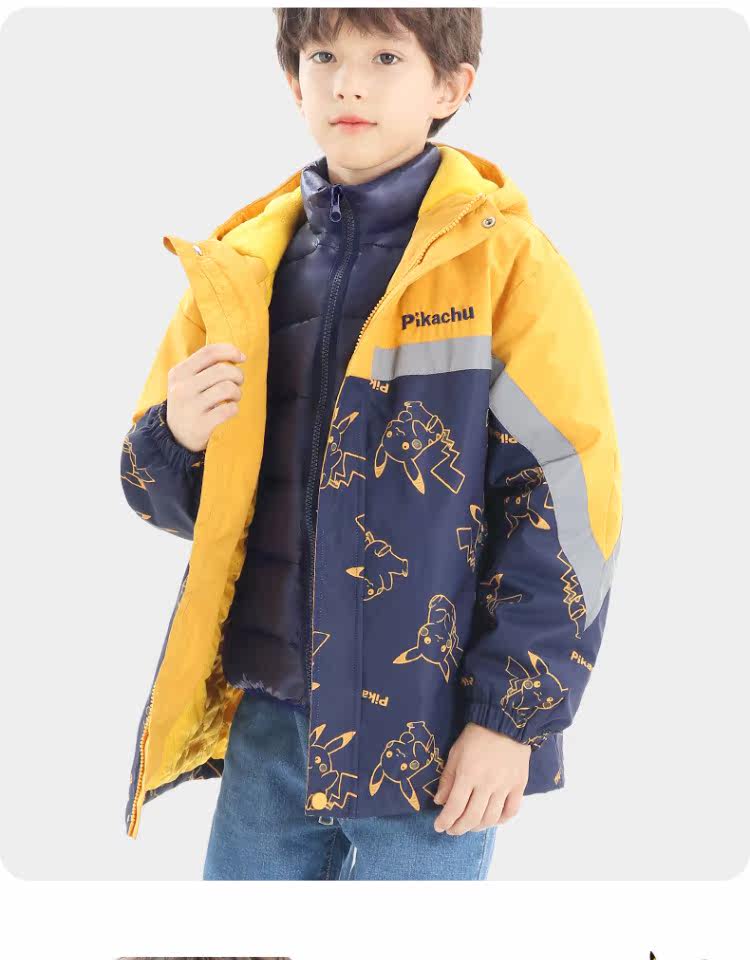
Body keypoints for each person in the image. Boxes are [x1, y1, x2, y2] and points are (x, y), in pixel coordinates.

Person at [120, 8, 622, 881]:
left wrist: (510, 720)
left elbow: (567, 505)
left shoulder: (507, 266)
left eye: (386, 57)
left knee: (401, 944)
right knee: (242, 943)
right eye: (325, 56)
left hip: (428, 740)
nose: (349, 84)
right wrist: (178, 437)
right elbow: (168, 500)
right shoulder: (243, 268)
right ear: (294, 83)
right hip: (270, 724)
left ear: (451, 87)